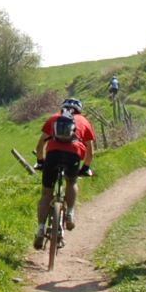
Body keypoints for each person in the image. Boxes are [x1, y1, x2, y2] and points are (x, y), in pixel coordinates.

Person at [33, 95, 96, 249]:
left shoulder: (54, 118)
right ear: (79, 110)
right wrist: (86, 168)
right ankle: (70, 214)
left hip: (53, 155)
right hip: (73, 154)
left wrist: (41, 162)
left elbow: (40, 144)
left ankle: (40, 229)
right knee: (72, 181)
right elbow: (90, 150)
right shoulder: (83, 121)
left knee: (46, 193)